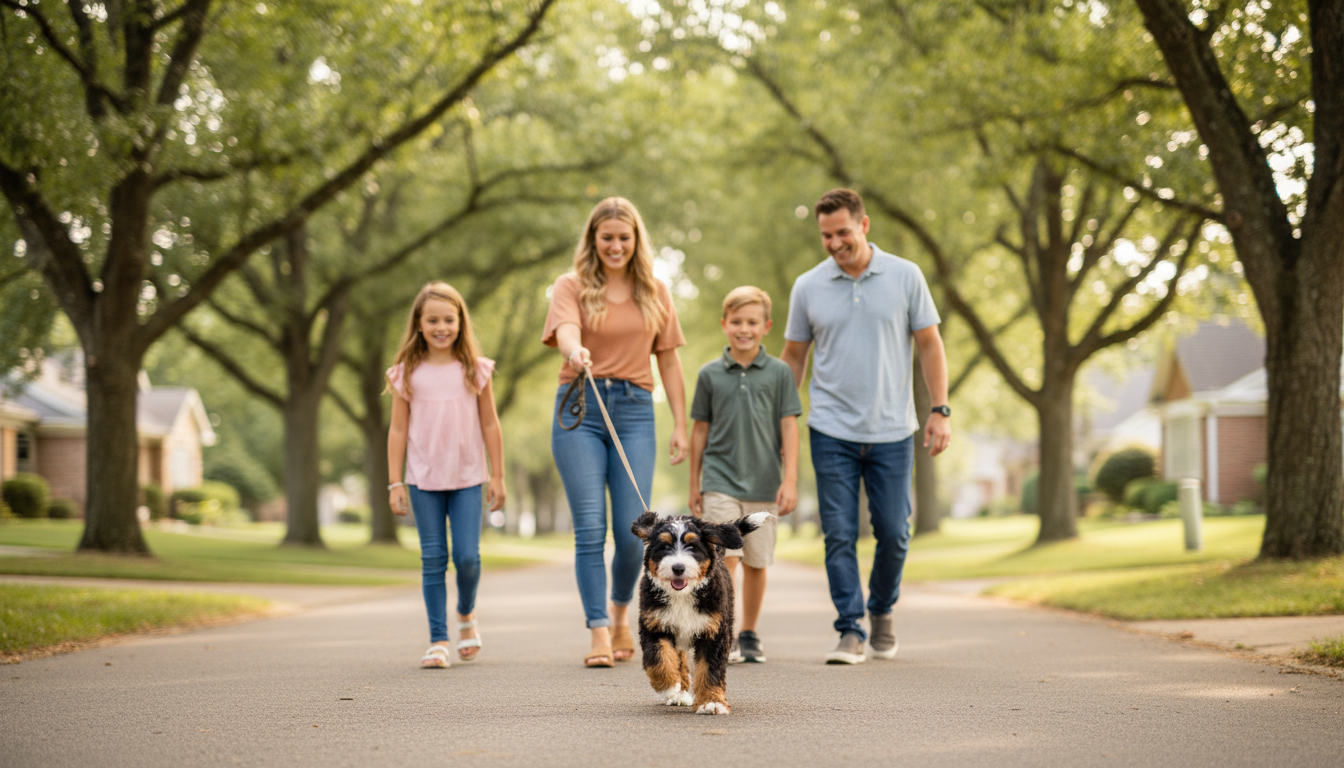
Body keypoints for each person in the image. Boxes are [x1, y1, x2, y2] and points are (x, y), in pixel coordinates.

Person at [780, 188, 951, 665]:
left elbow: (931, 345)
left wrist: (939, 409)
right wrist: (779, 421)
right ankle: (850, 629)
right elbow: (793, 357)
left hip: (893, 429)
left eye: (843, 233)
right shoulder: (808, 286)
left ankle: (881, 610)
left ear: (865, 225)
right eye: (825, 236)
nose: (834, 243)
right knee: (838, 533)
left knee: (895, 532)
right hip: (830, 428)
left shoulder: (905, 275)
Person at [542, 197, 689, 668]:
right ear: (593, 239)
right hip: (580, 406)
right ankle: (598, 633)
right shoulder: (572, 285)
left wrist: (681, 424)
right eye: (607, 237)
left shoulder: (655, 290)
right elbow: (565, 328)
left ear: (635, 240)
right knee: (589, 528)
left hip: (635, 410)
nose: (615, 245)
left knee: (634, 534)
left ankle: (622, 614)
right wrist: (575, 349)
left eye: (624, 237)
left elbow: (668, 356)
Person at [386, 282, 506, 669]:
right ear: (419, 324)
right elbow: (398, 430)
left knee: (468, 558)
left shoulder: (475, 369)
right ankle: (438, 639)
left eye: (449, 319)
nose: (441, 327)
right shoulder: (407, 374)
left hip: (469, 477)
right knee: (433, 558)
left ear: (460, 322)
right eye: (432, 319)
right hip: (423, 479)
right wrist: (395, 482)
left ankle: (466, 616)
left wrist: (498, 476)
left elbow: (490, 423)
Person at [688, 286, 801, 664]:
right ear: (724, 325)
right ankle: (726, 631)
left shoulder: (780, 373)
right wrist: (695, 483)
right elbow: (699, 430)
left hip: (765, 481)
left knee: (756, 561)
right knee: (726, 560)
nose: (744, 329)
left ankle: (750, 633)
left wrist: (790, 480)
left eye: (752, 322)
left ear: (766, 326)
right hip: (720, 480)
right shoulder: (709, 374)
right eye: (736, 321)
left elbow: (789, 428)